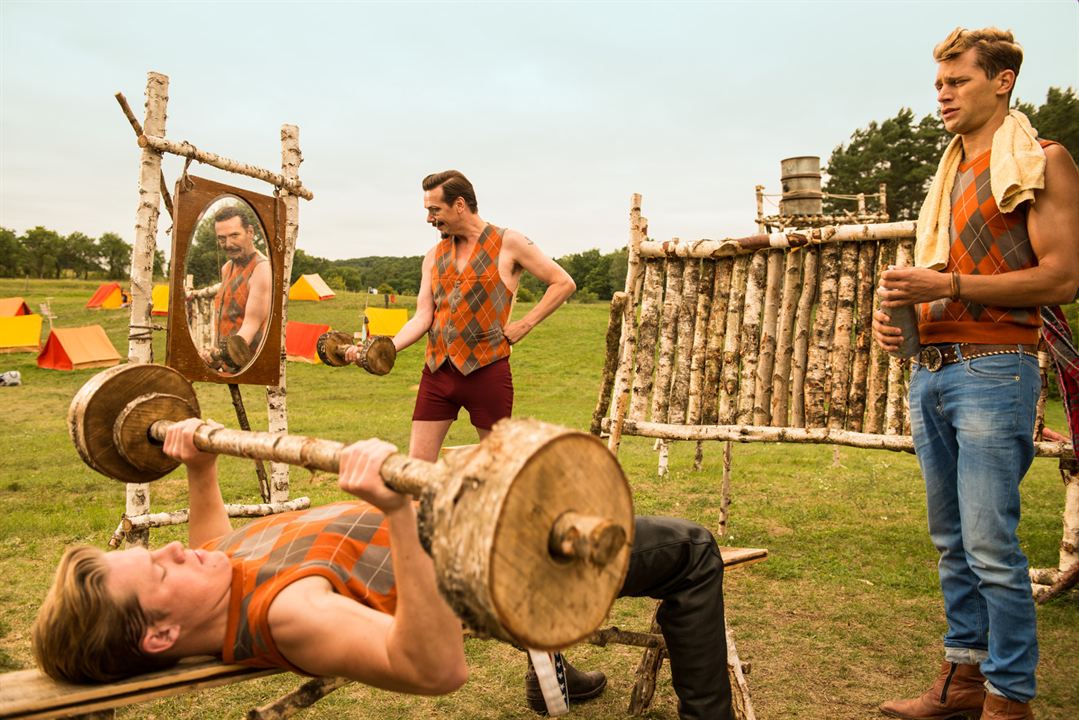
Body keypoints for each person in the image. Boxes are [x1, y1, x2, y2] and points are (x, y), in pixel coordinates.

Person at [32, 420, 734, 719]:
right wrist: (395, 511)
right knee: (694, 552)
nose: (171, 548)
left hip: (462, 508)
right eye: (156, 569)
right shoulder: (294, 613)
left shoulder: (214, 580)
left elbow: (216, 544)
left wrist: (202, 467)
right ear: (159, 636)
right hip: (497, 549)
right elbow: (436, 672)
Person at [872, 27, 1079, 720]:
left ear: (1001, 82)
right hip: (930, 367)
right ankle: (960, 682)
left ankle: (1009, 697)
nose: (942, 95)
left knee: (990, 542)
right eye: (937, 84)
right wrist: (898, 320)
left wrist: (949, 285)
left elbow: (1062, 276)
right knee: (951, 542)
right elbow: (941, 282)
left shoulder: (1041, 160)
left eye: (956, 81)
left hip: (996, 366)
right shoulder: (950, 172)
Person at [348, 170, 576, 461]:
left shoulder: (510, 242)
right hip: (437, 374)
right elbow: (422, 317)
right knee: (416, 470)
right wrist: (383, 347)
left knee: (498, 468)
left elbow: (563, 282)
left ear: (459, 205)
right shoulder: (433, 255)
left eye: (434, 210)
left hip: (488, 371)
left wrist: (525, 324)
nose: (429, 218)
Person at [198, 206, 272, 372]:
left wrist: (221, 354)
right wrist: (216, 353)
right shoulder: (227, 268)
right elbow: (228, 317)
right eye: (222, 238)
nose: (228, 244)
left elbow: (251, 325)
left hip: (248, 366)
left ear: (250, 232)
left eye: (234, 235)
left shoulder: (262, 269)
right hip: (228, 362)